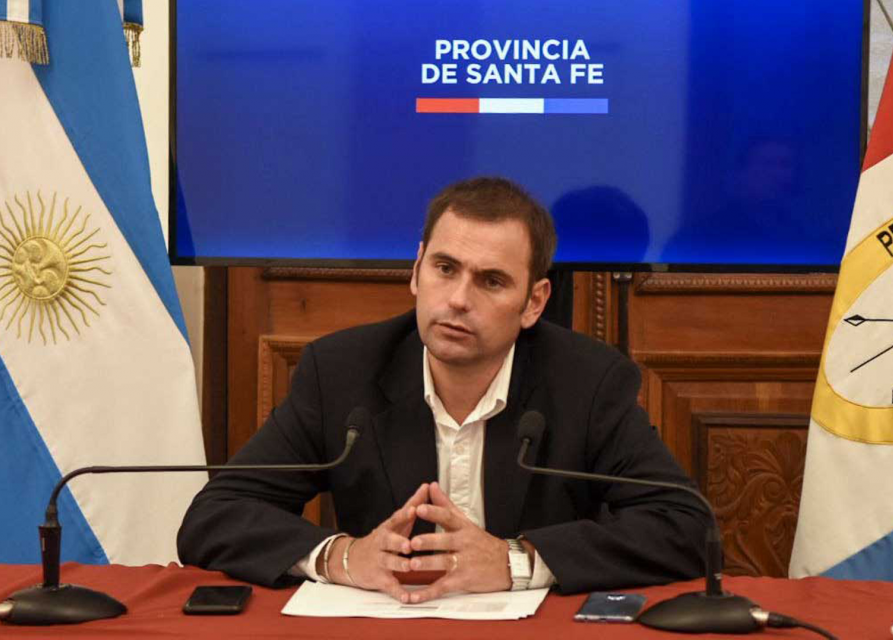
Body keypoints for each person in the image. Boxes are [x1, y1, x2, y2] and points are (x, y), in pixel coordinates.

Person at [177, 177, 711, 603]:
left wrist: (515, 561)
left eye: (491, 281)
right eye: (445, 268)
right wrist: (343, 557)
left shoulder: (587, 381)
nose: (458, 299)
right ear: (416, 271)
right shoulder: (341, 372)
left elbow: (685, 525)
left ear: (534, 302)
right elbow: (215, 516)